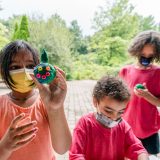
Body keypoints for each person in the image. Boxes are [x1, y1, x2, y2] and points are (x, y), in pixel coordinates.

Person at [0, 40, 71, 160]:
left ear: (39, 68)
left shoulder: (46, 102)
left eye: (30, 66)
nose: (24, 71)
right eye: (15, 67)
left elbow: (62, 148)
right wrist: (6, 146)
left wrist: (55, 108)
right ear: (3, 71)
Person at [69, 75, 149, 160]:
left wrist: (142, 157)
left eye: (120, 112)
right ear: (95, 101)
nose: (114, 118)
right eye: (108, 111)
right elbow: (76, 155)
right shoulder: (85, 124)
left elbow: (137, 148)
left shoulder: (123, 126)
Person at [119, 30, 160, 157]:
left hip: (149, 131)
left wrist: (147, 96)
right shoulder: (125, 71)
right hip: (127, 128)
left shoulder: (158, 73)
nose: (146, 57)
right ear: (136, 51)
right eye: (143, 53)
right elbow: (117, 99)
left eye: (151, 55)